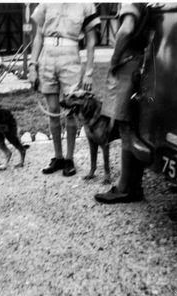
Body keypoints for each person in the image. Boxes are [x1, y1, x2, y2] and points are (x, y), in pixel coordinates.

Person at [29, 3, 100, 176]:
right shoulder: (45, 3)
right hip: (47, 55)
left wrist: (89, 72)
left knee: (70, 110)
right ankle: (58, 157)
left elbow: (91, 41)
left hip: (70, 56)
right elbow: (38, 35)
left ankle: (69, 158)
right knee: (53, 110)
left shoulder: (87, 5)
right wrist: (32, 65)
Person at [95, 3, 151, 203]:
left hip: (127, 64)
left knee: (126, 127)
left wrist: (114, 58)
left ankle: (125, 187)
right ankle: (134, 184)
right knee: (133, 125)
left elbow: (126, 29)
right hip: (139, 61)